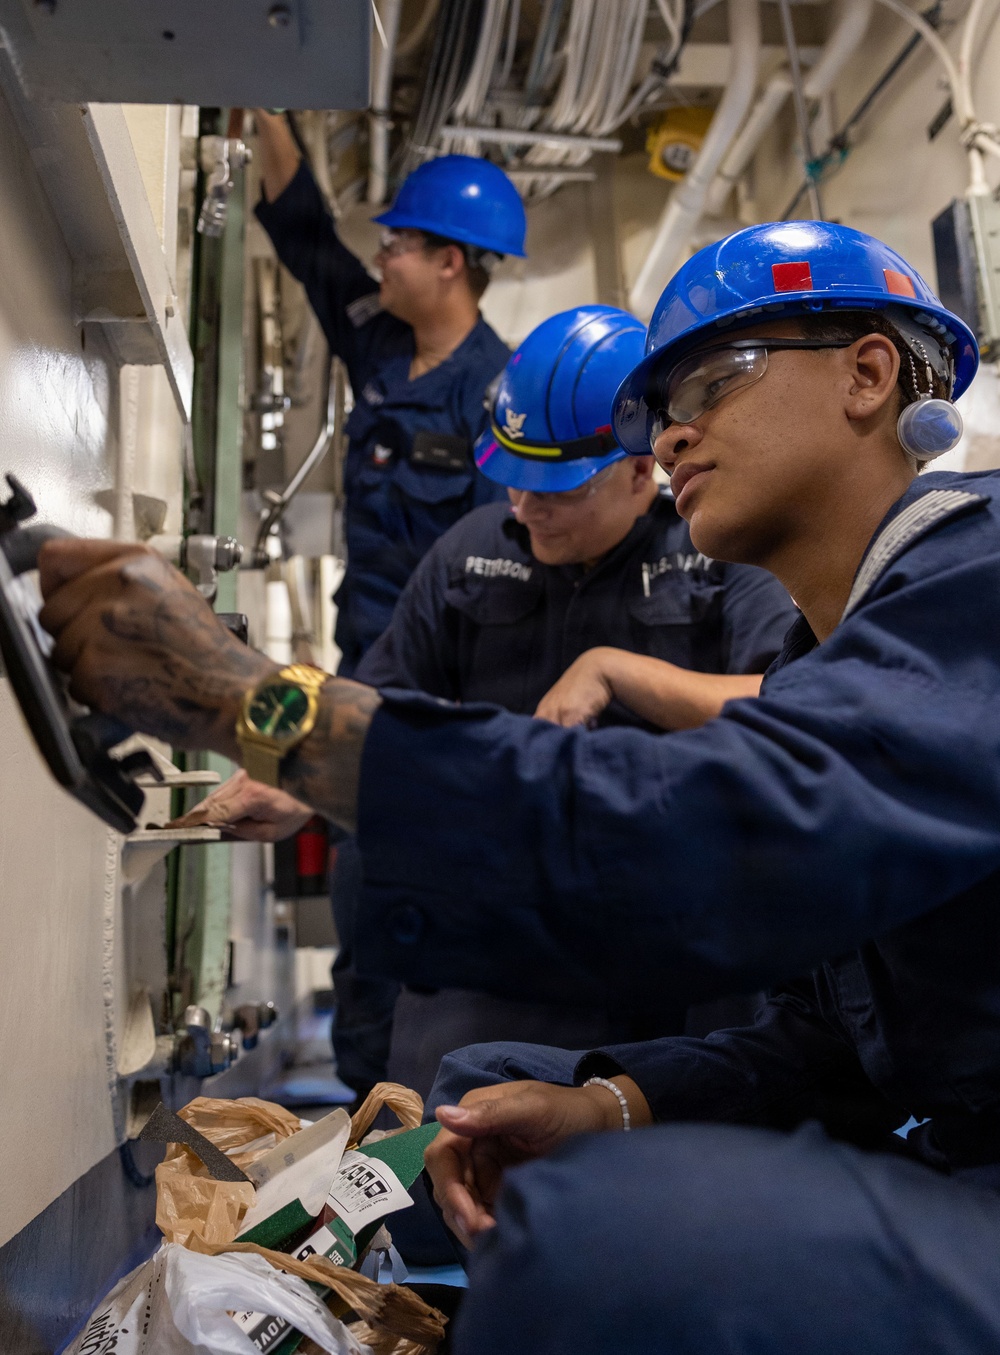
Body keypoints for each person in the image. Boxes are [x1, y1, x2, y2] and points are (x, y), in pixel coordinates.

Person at [38, 220, 1000, 1354]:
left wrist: (256, 704)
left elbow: (704, 832)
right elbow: (830, 1044)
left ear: (868, 373)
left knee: (586, 1232)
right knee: (485, 1090)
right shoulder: (823, 657)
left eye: (710, 380)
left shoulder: (974, 591)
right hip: (941, 1147)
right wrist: (601, 1103)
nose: (674, 430)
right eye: (657, 409)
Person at [174, 305, 797, 1110]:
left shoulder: (719, 557)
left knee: (663, 1174)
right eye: (513, 477)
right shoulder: (473, 549)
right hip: (497, 934)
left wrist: (617, 672)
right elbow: (368, 691)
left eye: (553, 490)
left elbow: (787, 711)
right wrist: (288, 766)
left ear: (641, 473)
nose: (522, 506)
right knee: (430, 1161)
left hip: (672, 938)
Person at [255, 112, 526, 672]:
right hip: (359, 649)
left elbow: (497, 566)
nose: (380, 257)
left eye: (395, 243)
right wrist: (269, 112)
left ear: (448, 262)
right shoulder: (380, 341)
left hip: (437, 670)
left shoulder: (497, 396)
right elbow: (308, 241)